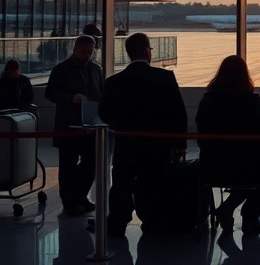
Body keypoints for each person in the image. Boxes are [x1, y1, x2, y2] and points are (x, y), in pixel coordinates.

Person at [196, 56, 260, 235]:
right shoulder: (251, 101)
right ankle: (249, 212)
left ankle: (230, 209)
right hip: (249, 168)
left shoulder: (207, 100)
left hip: (213, 166)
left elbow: (201, 134)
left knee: (256, 166)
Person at [99, 32, 188, 238]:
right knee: (154, 184)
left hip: (126, 143)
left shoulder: (114, 81)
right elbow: (178, 111)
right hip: (157, 144)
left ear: (128, 53)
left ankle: (117, 223)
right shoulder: (164, 77)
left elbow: (104, 113)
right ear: (147, 51)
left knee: (121, 184)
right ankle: (152, 222)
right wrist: (179, 141)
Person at [45, 35, 103, 215]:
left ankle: (79, 196)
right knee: (68, 164)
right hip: (68, 125)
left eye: (90, 52)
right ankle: (70, 201)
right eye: (83, 52)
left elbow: (101, 93)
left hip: (89, 125)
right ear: (74, 49)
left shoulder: (96, 69)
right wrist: (71, 98)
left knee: (91, 162)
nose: (86, 55)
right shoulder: (61, 69)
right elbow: (50, 93)